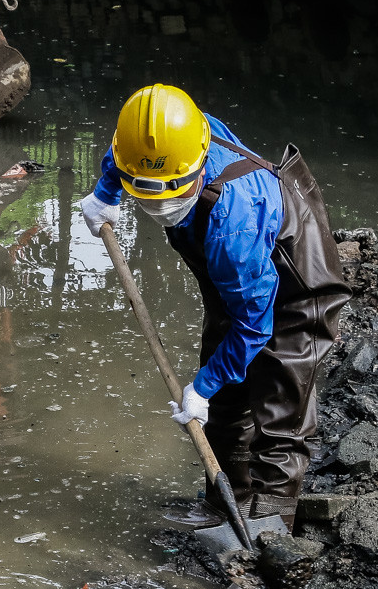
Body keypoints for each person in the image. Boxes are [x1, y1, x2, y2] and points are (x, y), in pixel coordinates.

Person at [77, 84, 349, 531]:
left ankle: (271, 524)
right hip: (236, 279)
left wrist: (200, 387)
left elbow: (254, 327)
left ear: (199, 167)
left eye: (170, 196)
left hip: (296, 272)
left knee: (280, 398)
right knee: (226, 400)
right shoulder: (164, 136)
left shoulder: (232, 230)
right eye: (145, 196)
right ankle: (224, 505)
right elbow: (121, 153)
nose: (159, 208)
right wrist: (106, 192)